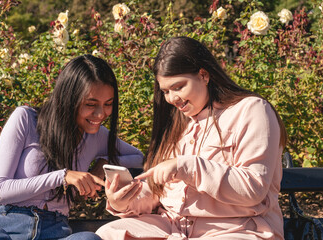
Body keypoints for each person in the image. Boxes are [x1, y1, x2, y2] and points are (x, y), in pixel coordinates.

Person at [96, 36, 287, 240]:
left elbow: (253, 189)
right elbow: (157, 192)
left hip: (237, 229)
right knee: (109, 234)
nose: (172, 98)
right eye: (166, 91)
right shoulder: (176, 122)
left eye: (178, 87)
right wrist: (123, 200)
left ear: (204, 75)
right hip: (173, 228)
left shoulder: (252, 109)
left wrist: (188, 167)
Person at [0, 55, 144, 240]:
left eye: (108, 104)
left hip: (55, 231)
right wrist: (63, 176)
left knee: (89, 239)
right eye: (90, 104)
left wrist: (104, 163)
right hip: (7, 227)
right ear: (69, 98)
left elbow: (140, 158)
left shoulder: (96, 135)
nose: (100, 113)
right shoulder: (26, 119)